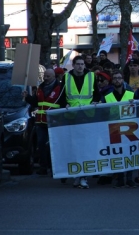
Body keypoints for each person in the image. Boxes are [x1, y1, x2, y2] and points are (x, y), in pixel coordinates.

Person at [62, 55, 100, 189]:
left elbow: (97, 93)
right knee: (75, 147)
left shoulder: (91, 76)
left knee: (85, 147)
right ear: (73, 65)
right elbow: (62, 96)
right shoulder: (66, 77)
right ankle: (77, 174)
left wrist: (96, 101)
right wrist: (64, 105)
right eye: (77, 64)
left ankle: (83, 176)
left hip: (87, 115)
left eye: (82, 64)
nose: (80, 66)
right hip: (72, 115)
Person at [24, 68, 65, 176]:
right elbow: (36, 102)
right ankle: (43, 167)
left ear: (54, 76)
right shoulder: (40, 87)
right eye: (45, 76)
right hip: (41, 121)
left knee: (52, 145)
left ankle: (53, 167)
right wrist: (27, 97)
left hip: (54, 121)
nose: (45, 78)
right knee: (41, 144)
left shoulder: (60, 88)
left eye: (48, 76)